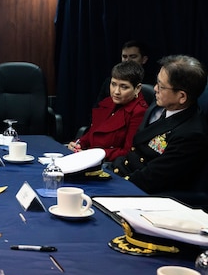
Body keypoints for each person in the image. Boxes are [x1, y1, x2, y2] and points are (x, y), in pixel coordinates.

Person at [111, 55, 208, 194]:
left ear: (182, 96)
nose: (155, 89)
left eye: (161, 86)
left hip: (143, 192)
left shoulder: (191, 134)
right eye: (157, 83)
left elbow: (151, 178)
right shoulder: (159, 106)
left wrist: (114, 185)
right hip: (121, 170)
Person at [67, 61, 148, 161]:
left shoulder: (139, 111)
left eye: (124, 87)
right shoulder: (109, 102)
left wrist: (93, 155)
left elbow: (128, 151)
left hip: (109, 164)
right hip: (90, 157)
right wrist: (78, 143)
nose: (116, 91)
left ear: (137, 89)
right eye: (113, 84)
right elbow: (94, 133)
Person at [95, 40, 154, 105]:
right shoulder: (109, 81)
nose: (127, 60)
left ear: (144, 59)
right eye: (124, 57)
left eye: (133, 57)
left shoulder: (152, 83)